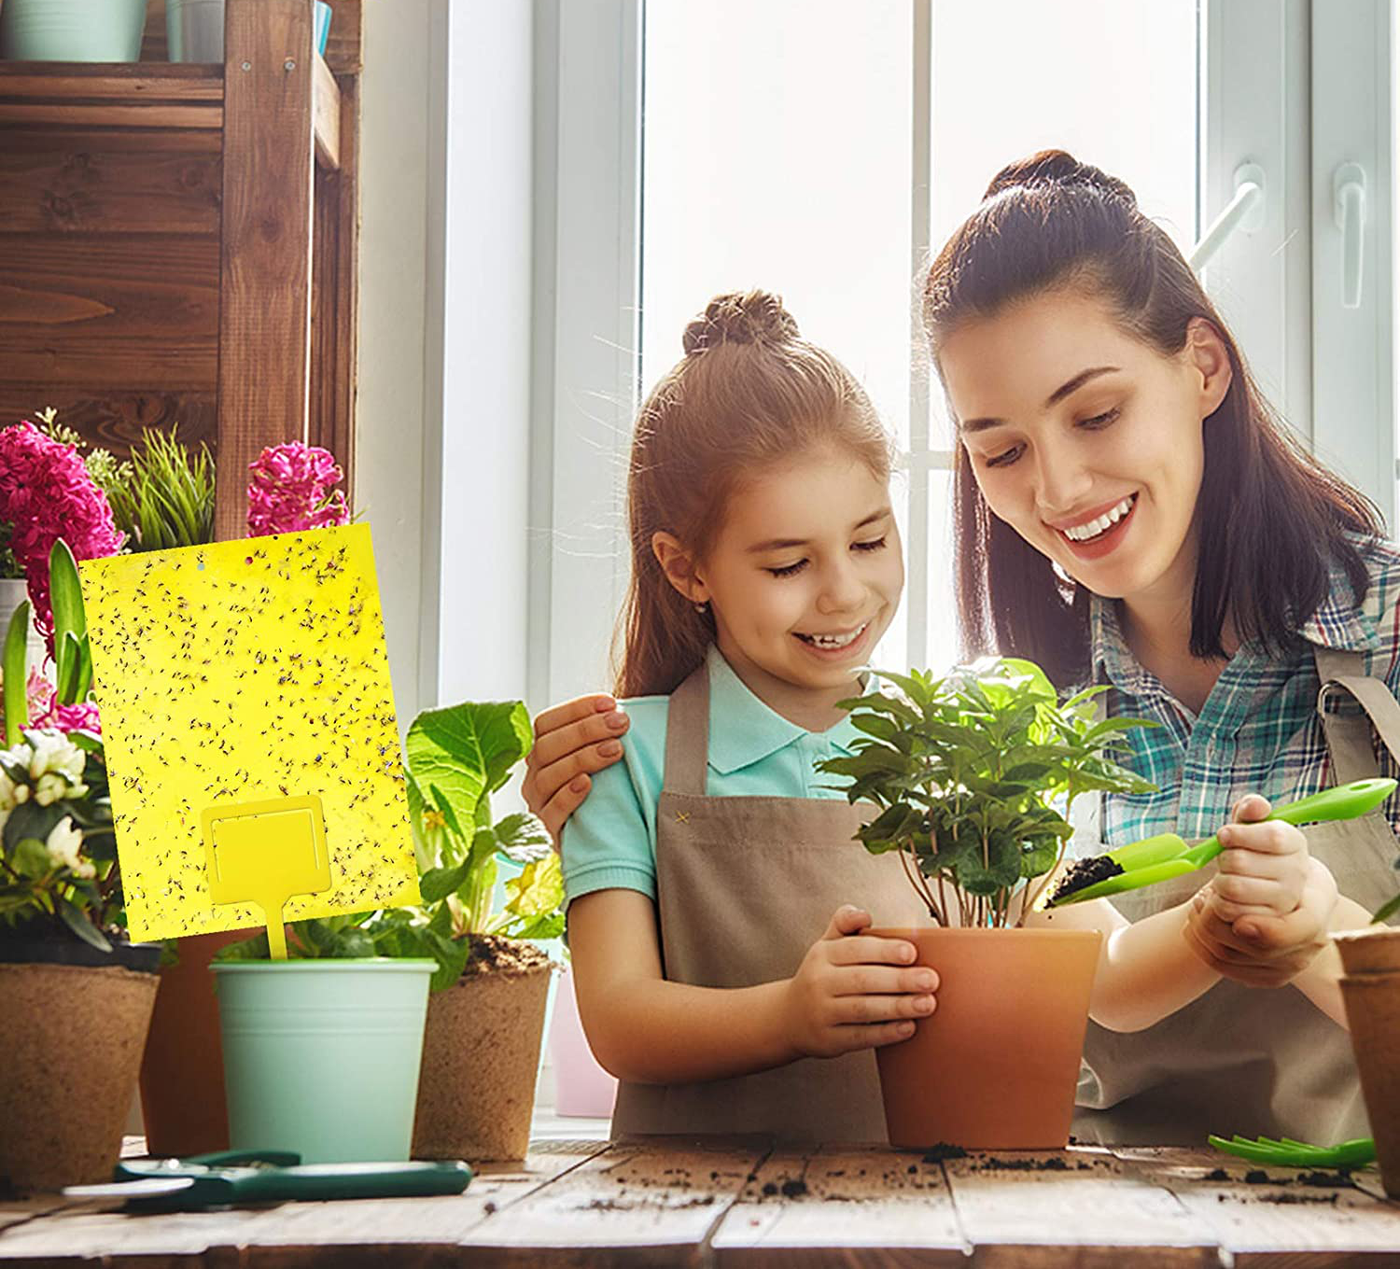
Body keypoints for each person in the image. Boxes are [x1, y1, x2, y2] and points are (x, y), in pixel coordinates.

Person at [529, 157, 1400, 1146]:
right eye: (1000, 448)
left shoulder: (1386, 638)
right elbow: (1097, 980)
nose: (1060, 485)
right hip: (1065, 1228)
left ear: (1202, 363)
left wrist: (1321, 933)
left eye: (1095, 412)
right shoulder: (1009, 717)